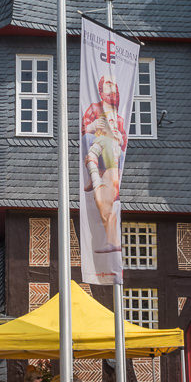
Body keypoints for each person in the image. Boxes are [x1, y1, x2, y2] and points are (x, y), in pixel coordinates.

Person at [82, 76, 126, 252]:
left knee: (107, 198)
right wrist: (92, 125)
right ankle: (94, 176)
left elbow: (124, 140)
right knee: (91, 145)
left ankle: (95, 178)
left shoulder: (119, 118)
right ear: (100, 91)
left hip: (112, 154)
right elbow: (84, 132)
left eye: (114, 87)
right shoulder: (94, 109)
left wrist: (118, 137)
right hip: (99, 143)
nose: (113, 90)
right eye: (109, 86)